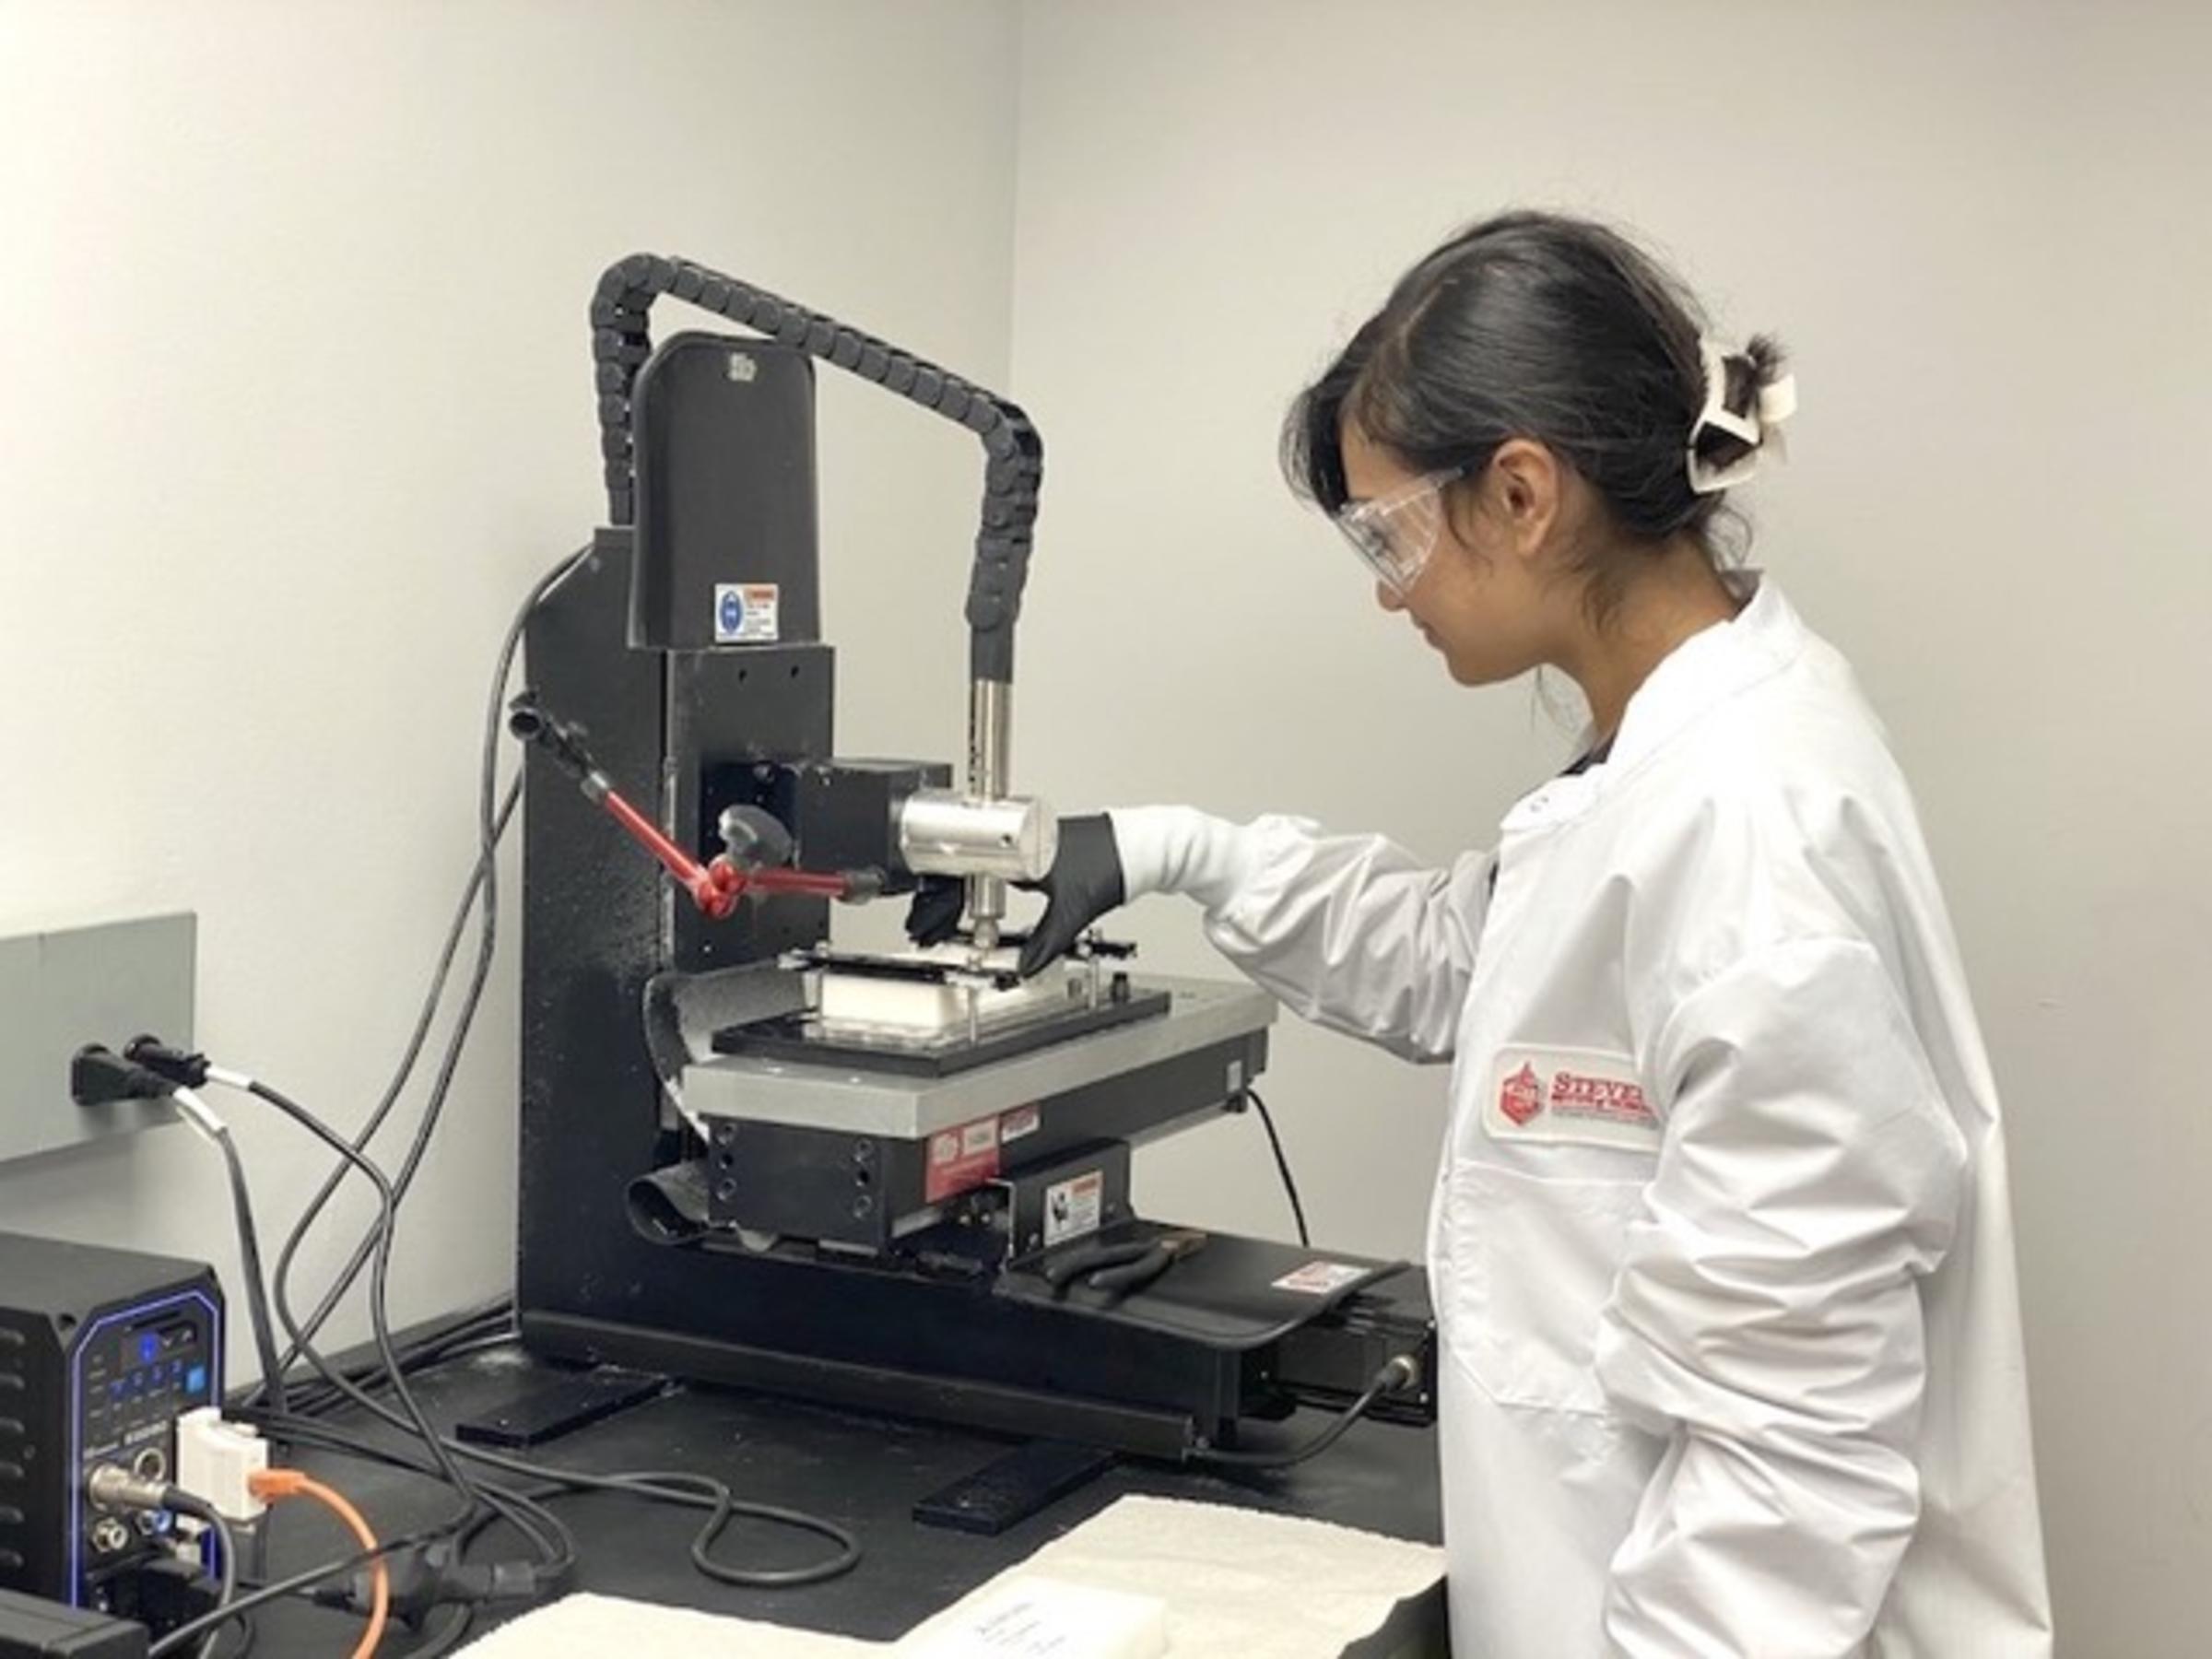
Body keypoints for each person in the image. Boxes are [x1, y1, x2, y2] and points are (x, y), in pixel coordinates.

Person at [915, 209, 2053, 1655]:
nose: (1390, 589)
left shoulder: (1752, 833)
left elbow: (1796, 1465)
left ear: (1523, 494)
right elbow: (1477, 959)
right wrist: (1165, 849)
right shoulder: (1662, 768)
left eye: (1389, 532)